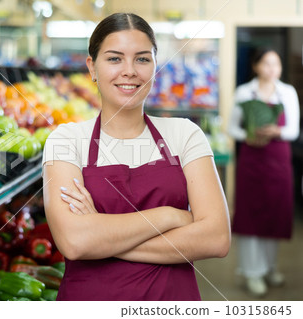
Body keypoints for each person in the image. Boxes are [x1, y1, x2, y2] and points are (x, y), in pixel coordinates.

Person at [42, 13, 230, 301]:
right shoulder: (66, 140)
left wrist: (101, 235)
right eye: (114, 59)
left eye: (142, 59)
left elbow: (216, 238)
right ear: (92, 67)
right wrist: (170, 216)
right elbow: (75, 242)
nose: (129, 70)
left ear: (155, 66)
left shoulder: (185, 135)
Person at [228, 49, 300, 297]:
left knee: (275, 215)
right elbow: (232, 129)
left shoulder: (287, 92)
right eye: (267, 64)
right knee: (250, 217)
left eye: (276, 65)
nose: (272, 69)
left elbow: (292, 131)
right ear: (256, 66)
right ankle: (252, 272)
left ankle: (270, 268)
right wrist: (249, 135)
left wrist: (275, 132)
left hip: (278, 163)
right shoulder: (244, 92)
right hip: (252, 162)